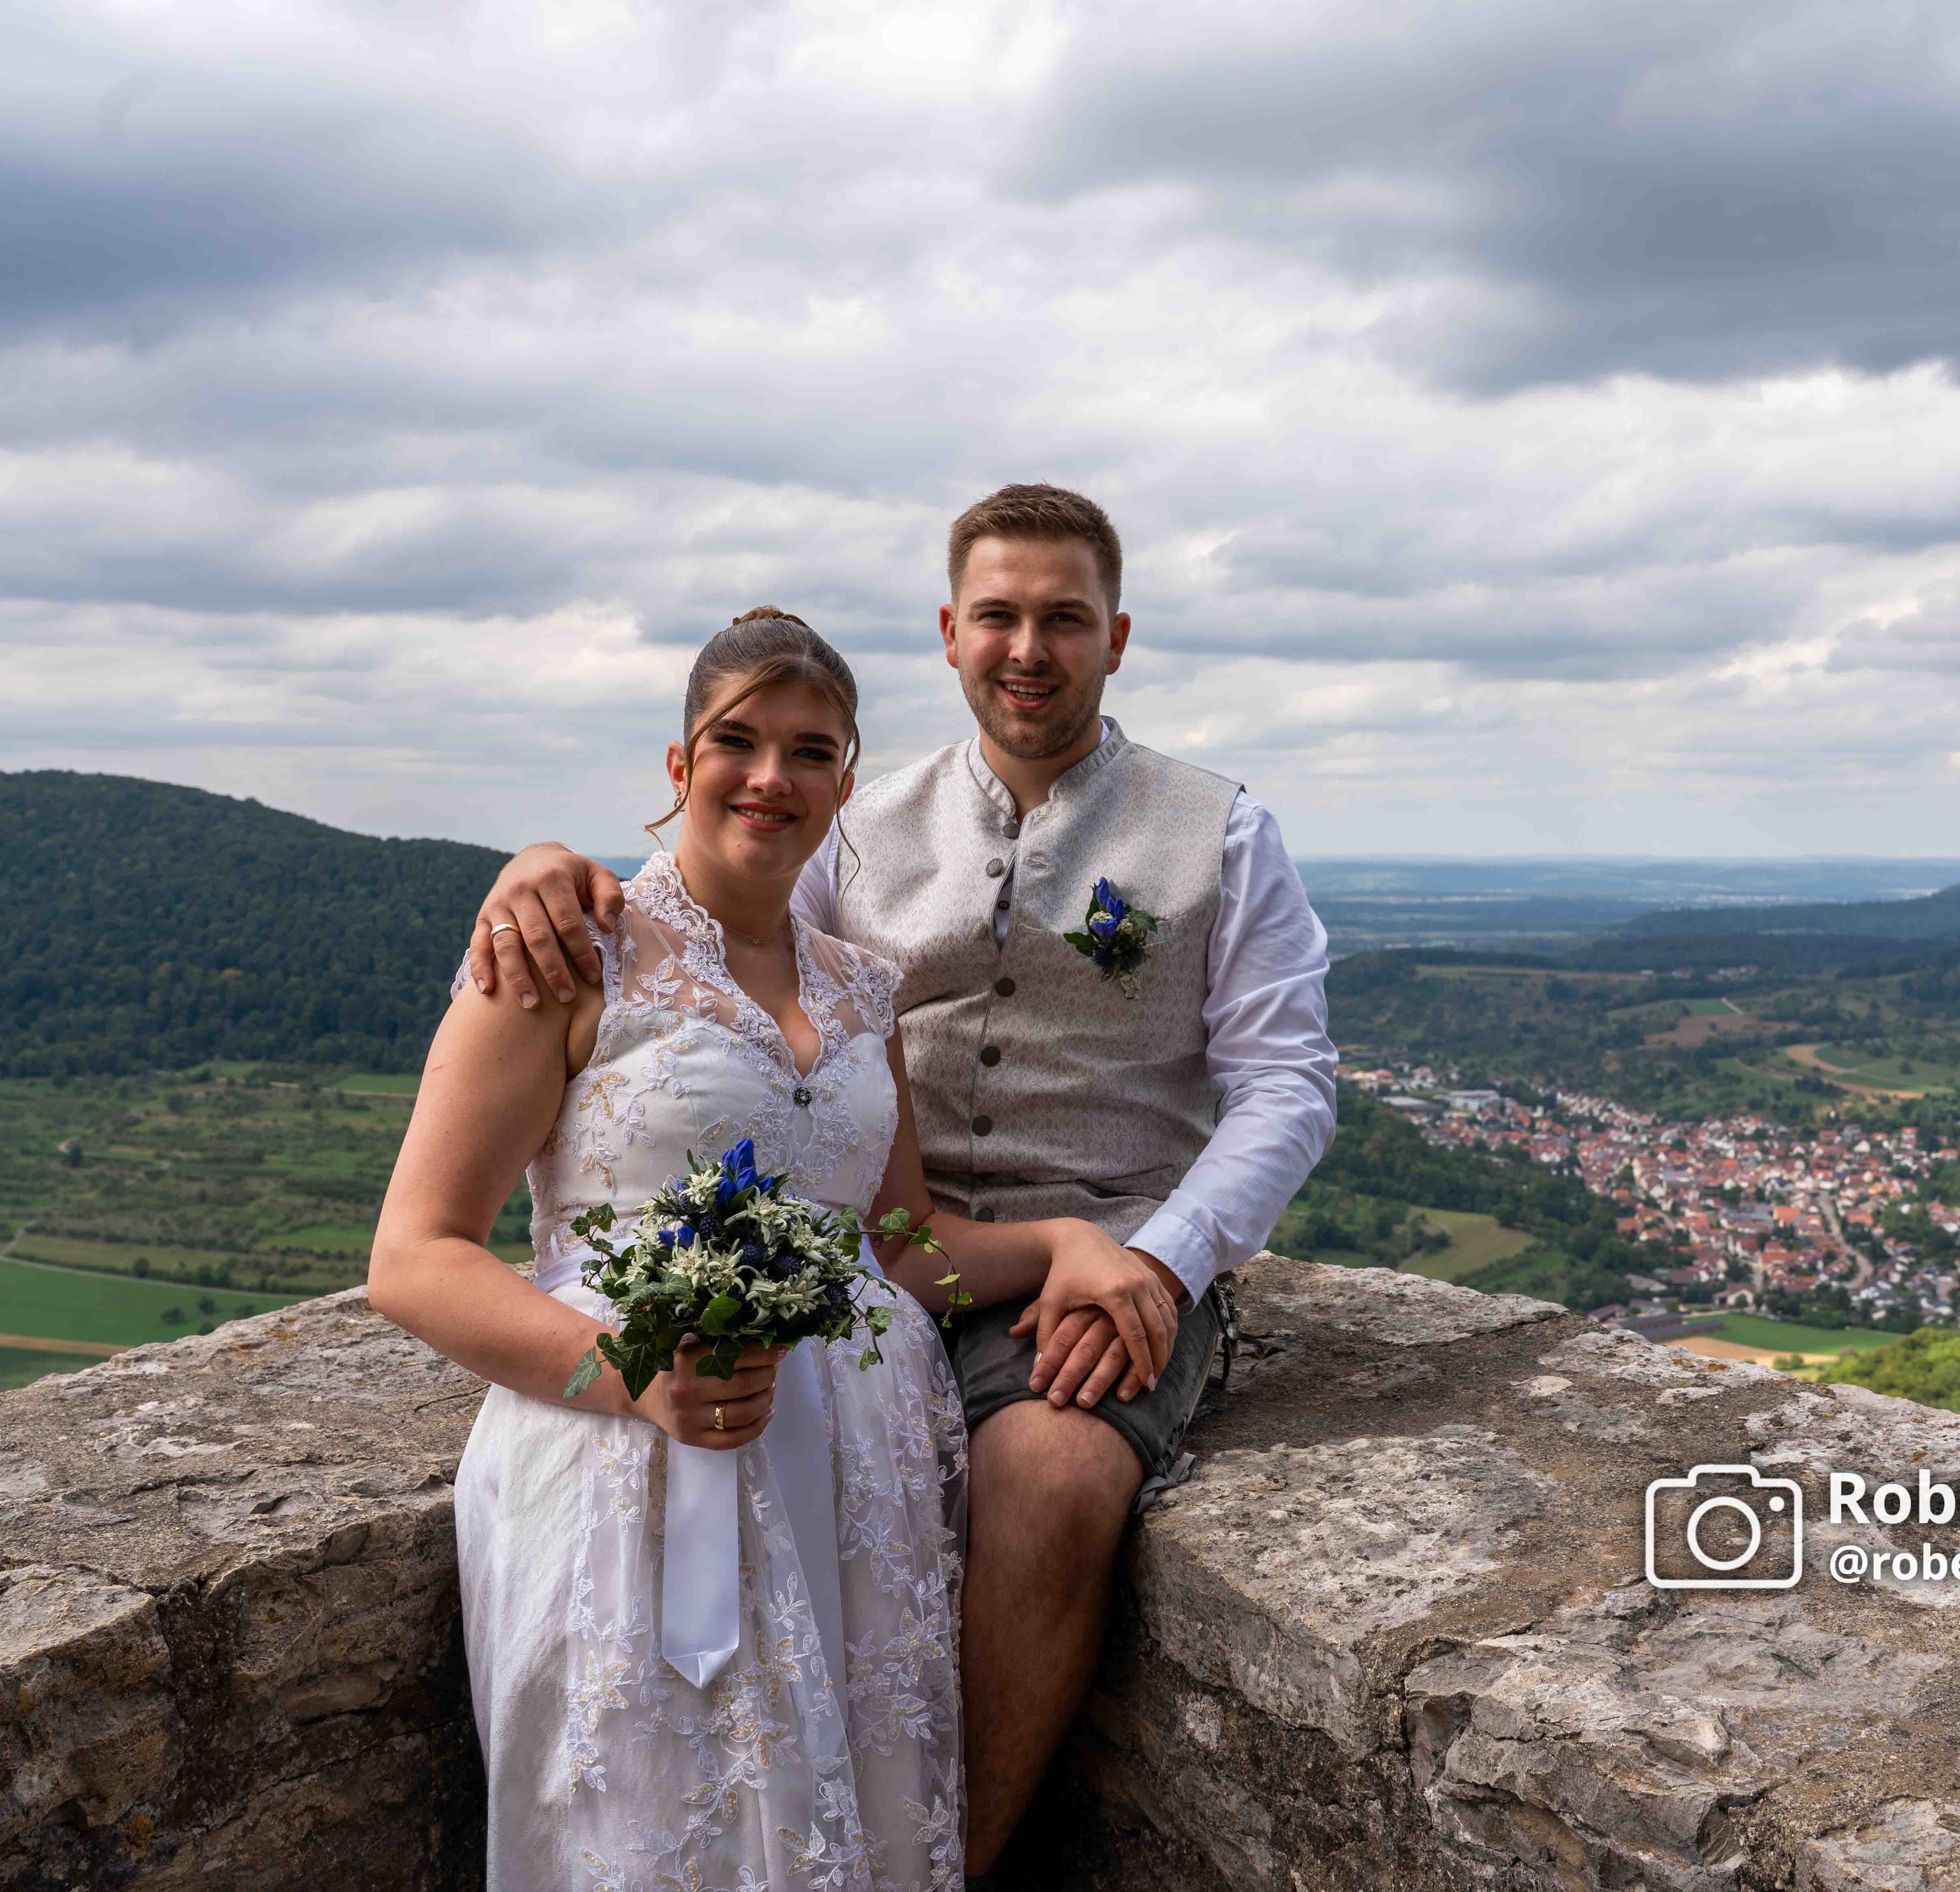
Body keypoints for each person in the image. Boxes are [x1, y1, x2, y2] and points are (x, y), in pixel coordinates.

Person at [468, 484, 1337, 1884]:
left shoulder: (1222, 831)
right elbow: (705, 960)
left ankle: (953, 1865)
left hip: (1101, 1256)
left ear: (1117, 639)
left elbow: (1287, 1086)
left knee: (1050, 1471)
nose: (1029, 649)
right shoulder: (852, 823)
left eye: (1065, 619)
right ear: (950, 632)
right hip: (884, 1259)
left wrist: (1160, 1259)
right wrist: (550, 872)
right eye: (999, 616)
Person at [370, 608, 1175, 1891]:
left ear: (845, 785)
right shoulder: (567, 958)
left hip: (862, 1484)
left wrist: (1069, 1243)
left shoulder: (864, 991)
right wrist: (629, 1376)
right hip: (634, 1463)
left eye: (810, 752)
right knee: (655, 1827)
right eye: (737, 742)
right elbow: (415, 1256)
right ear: (679, 764)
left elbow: (902, 1251)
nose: (771, 777)